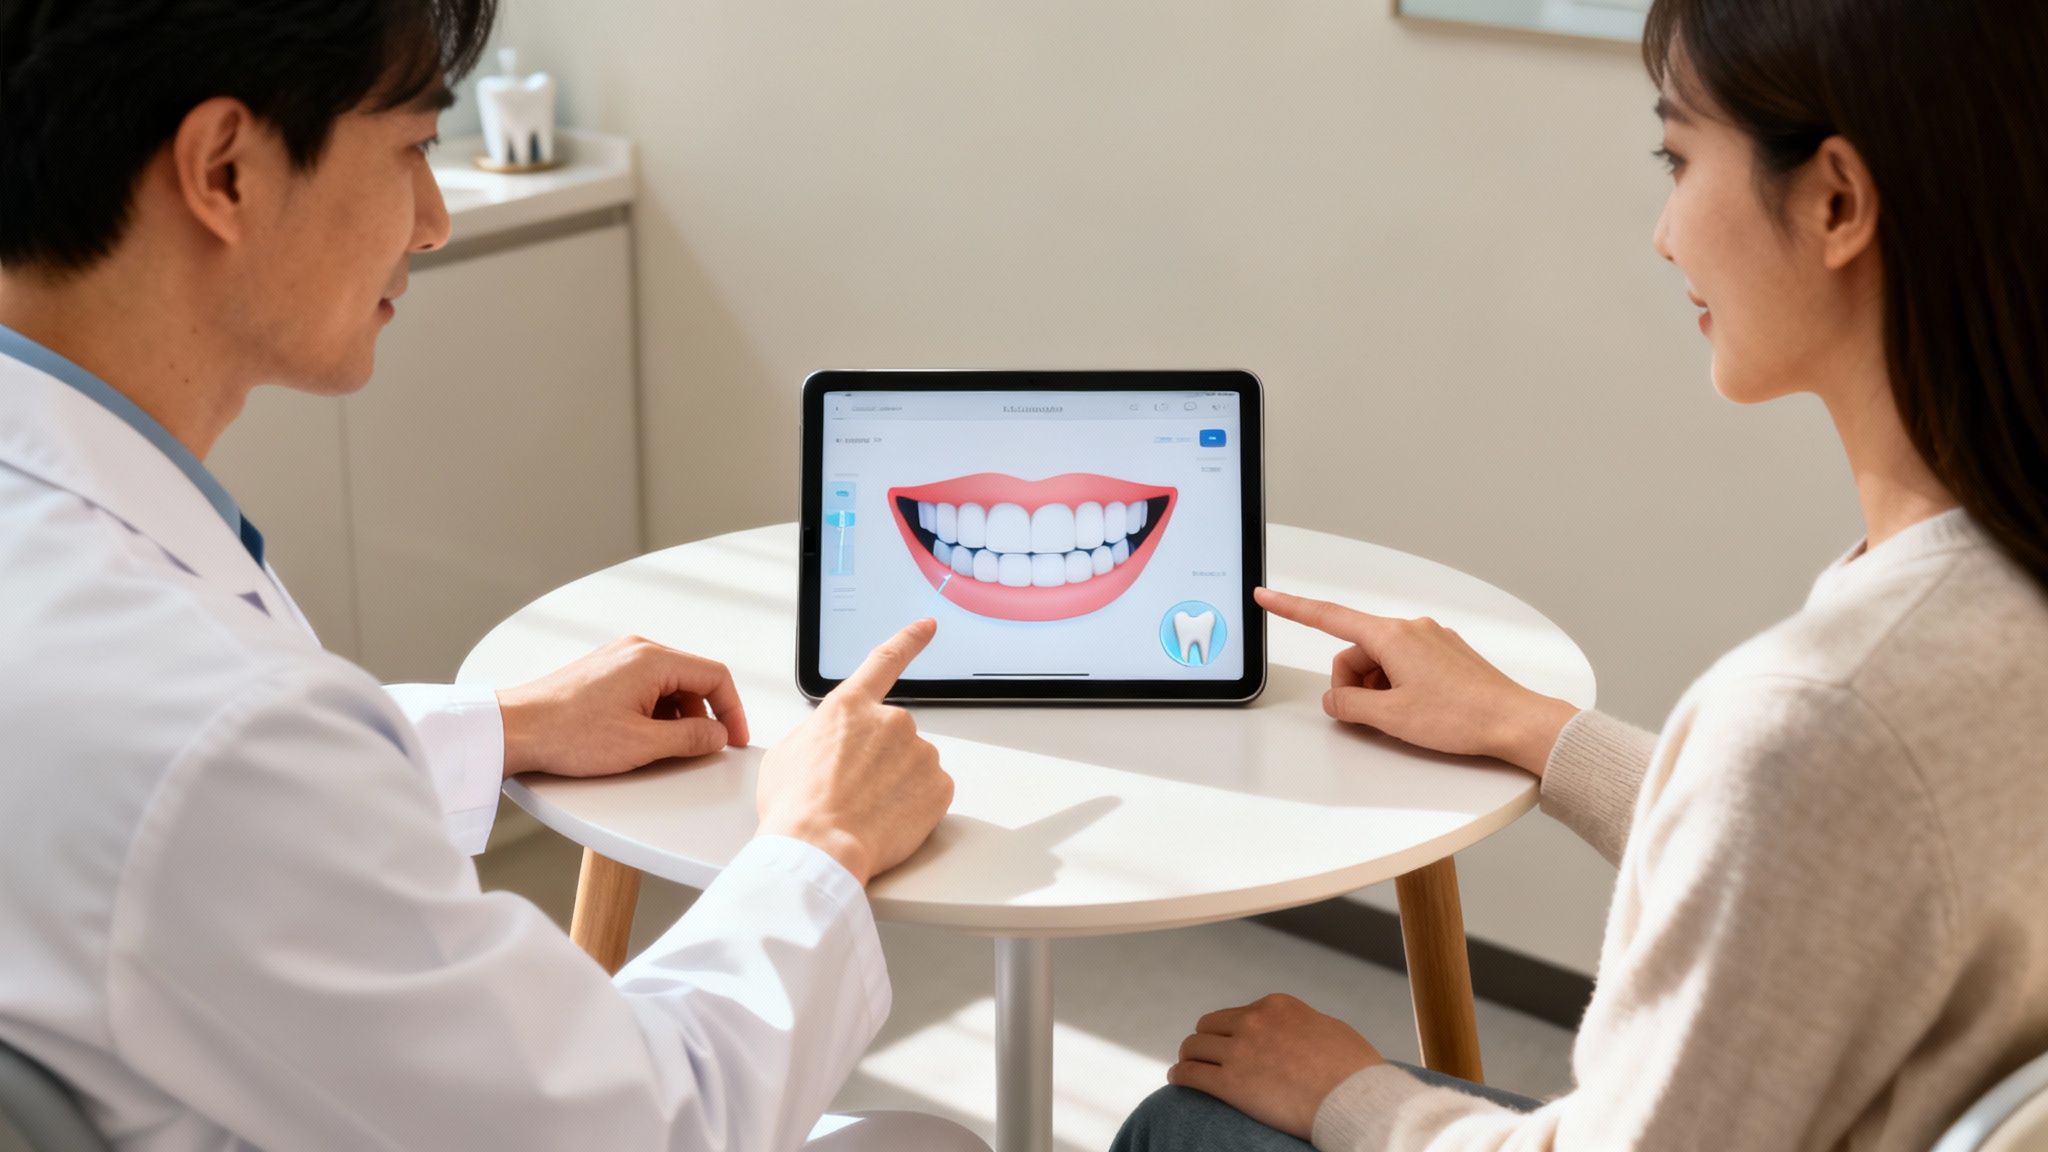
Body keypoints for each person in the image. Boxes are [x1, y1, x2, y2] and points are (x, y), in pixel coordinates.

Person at [0, 2, 985, 1149]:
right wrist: (820, 842)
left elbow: (181, 835)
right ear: (226, 169)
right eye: (413, 148)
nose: (432, 222)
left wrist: (499, 727)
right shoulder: (219, 735)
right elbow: (648, 1125)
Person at [1114, 0, 2048, 1149]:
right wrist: (1532, 730)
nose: (1663, 235)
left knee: (1186, 1118)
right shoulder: (1984, 586)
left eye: (1677, 157)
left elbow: (1810, 786)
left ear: (1834, 201)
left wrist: (1352, 1097)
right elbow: (1824, 859)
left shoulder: (1829, 707)